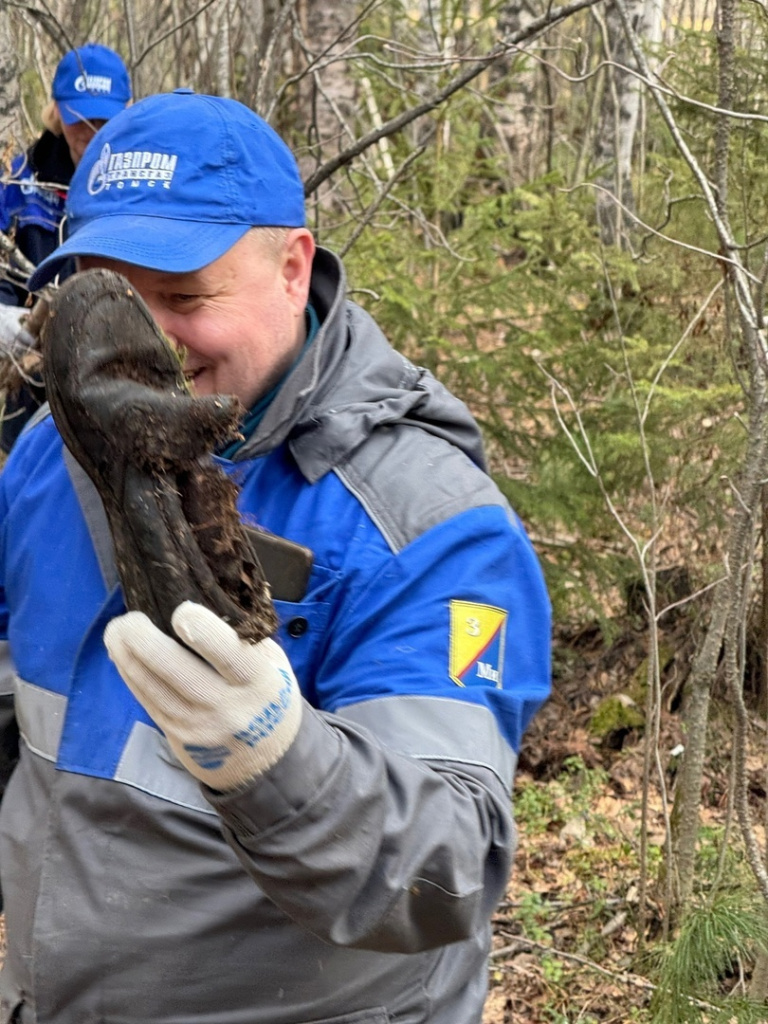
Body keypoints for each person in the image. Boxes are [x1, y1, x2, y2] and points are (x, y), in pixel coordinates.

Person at [0, 90, 551, 1024]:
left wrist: (271, 754)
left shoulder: (426, 523)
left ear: (293, 269)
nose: (144, 346)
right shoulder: (53, 453)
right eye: (108, 299)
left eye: (184, 298)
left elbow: (449, 870)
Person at [0, 42, 131, 452]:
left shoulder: (141, 183)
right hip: (30, 392)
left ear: (127, 111)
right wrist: (10, 322)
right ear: (56, 111)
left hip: (119, 390)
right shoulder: (18, 184)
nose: (91, 133)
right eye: (79, 119)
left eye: (103, 119)